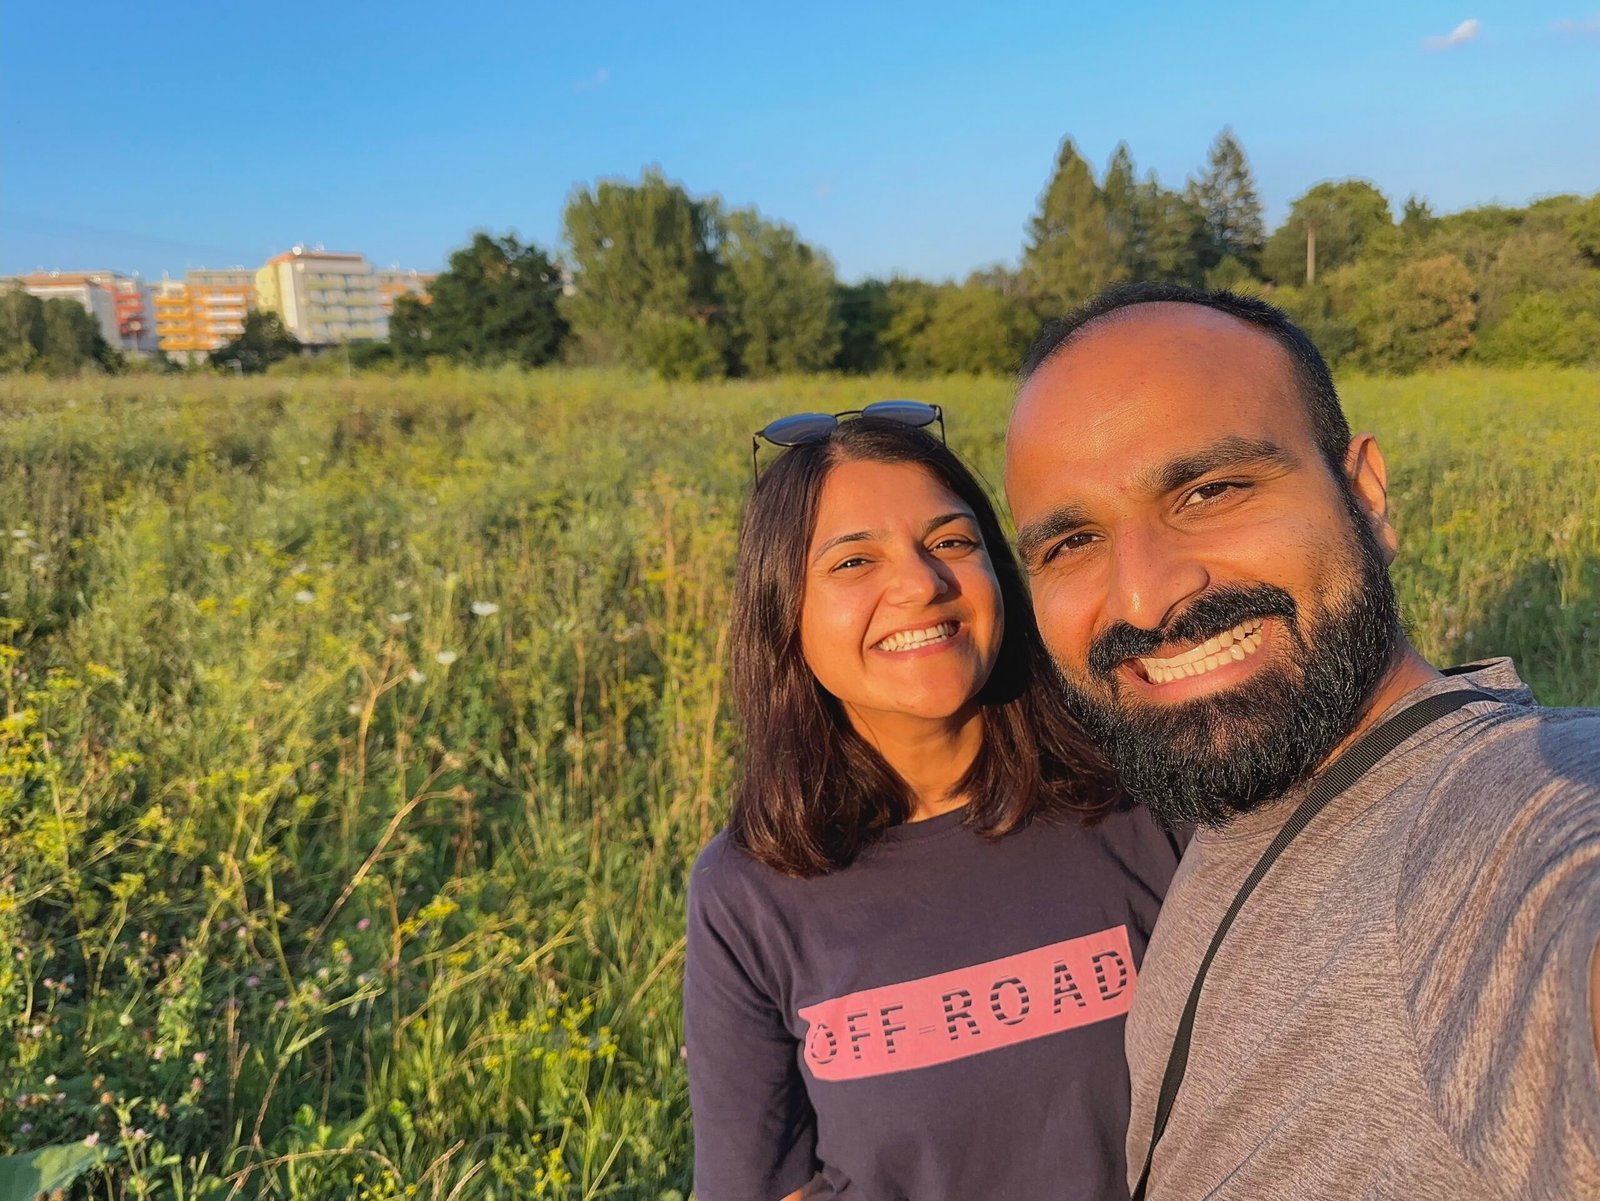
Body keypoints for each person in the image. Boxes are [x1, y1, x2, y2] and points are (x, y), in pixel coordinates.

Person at [1004, 281, 1600, 1200]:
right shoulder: (1238, 792)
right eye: (1072, 540)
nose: (1141, 598)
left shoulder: (1496, 822)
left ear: (1365, 495)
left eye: (1209, 490)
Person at [684, 410, 1184, 1201]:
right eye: (853, 561)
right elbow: (758, 1182)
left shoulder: (1144, 798)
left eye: (952, 542)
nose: (922, 583)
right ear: (787, 615)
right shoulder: (748, 890)